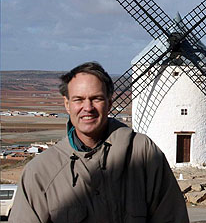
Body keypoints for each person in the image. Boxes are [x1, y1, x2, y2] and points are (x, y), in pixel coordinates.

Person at [9, 62, 189, 223]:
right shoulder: (41, 171)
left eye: (96, 98)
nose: (87, 108)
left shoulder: (142, 153)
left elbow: (172, 216)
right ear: (67, 104)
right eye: (78, 99)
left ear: (110, 102)